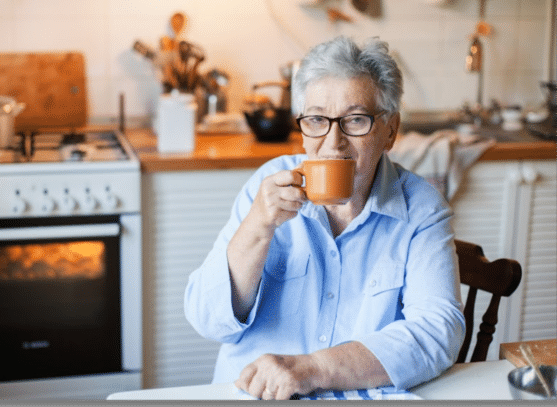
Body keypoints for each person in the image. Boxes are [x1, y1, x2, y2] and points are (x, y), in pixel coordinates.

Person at [184, 35, 465, 400]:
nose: (333, 142)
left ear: (390, 131)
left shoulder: (422, 209)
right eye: (316, 119)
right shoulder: (267, 188)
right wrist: (257, 227)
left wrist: (312, 369)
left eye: (355, 120)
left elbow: (437, 331)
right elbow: (207, 320)